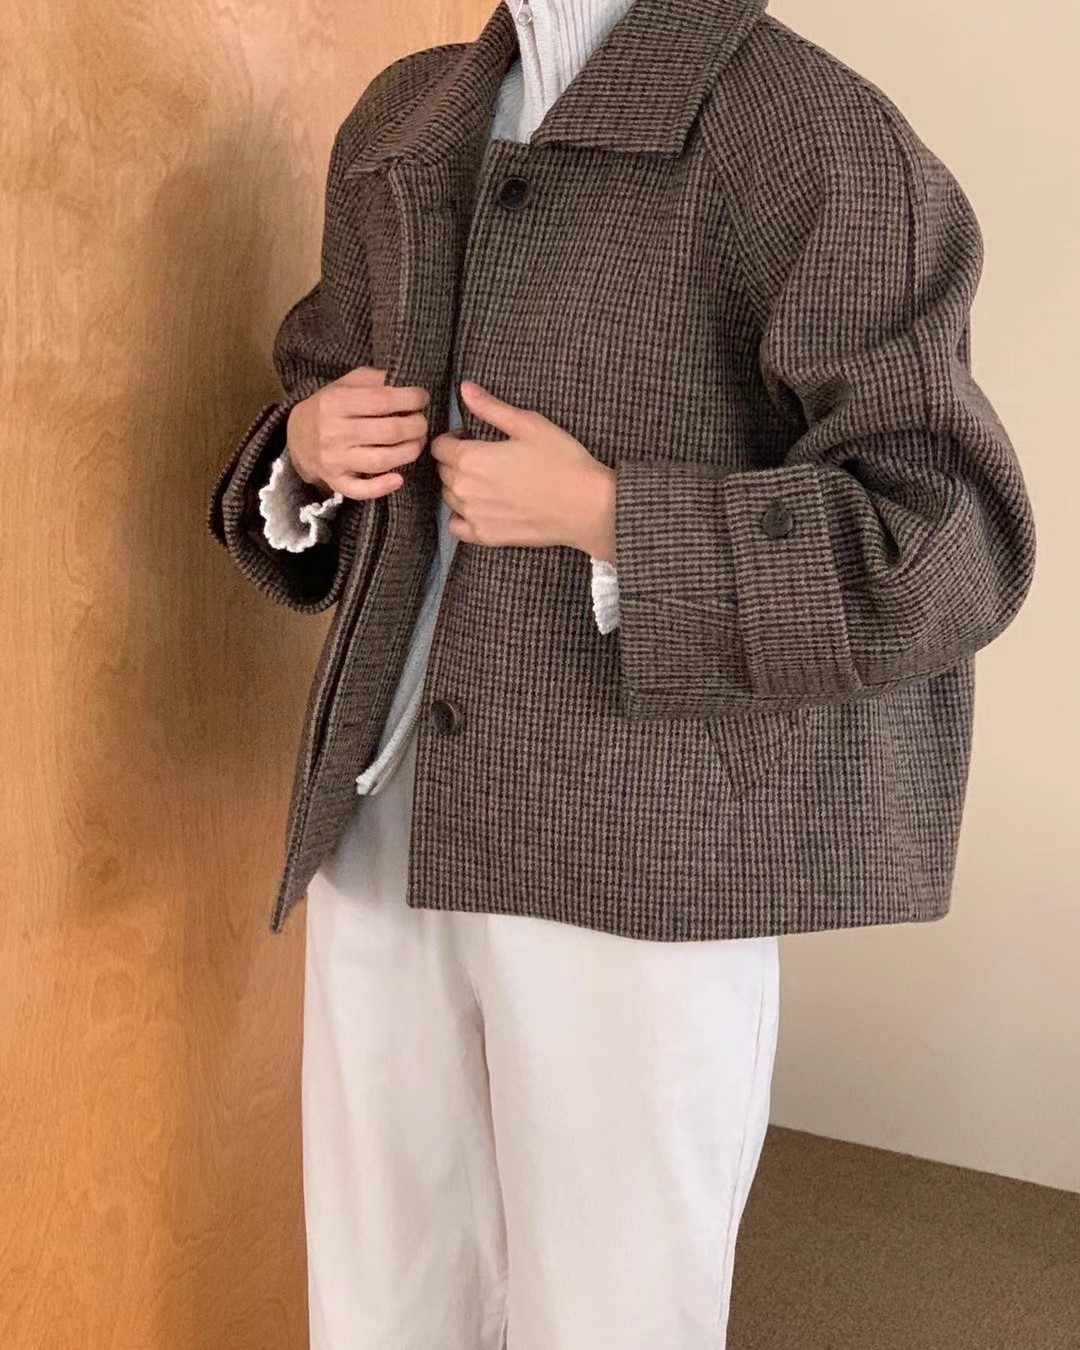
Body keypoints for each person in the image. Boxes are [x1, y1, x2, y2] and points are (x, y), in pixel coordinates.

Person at [206, 0, 1037, 1345]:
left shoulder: (808, 131)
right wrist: (307, 443)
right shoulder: (407, 117)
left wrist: (613, 516)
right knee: (382, 1287)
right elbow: (324, 380)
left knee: (613, 1305)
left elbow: (946, 537)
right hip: (386, 811)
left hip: (642, 838)